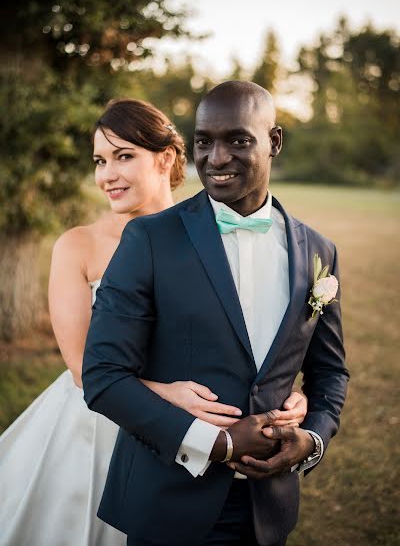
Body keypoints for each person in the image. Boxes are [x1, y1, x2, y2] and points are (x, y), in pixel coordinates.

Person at [0, 98, 306, 546]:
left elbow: (242, 329)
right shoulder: (78, 245)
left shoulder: (214, 230)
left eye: (124, 156)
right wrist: (163, 392)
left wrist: (279, 388)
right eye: (100, 161)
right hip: (96, 426)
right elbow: (82, 367)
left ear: (165, 158)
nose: (107, 175)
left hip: (203, 436)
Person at [83, 81, 349, 546]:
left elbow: (330, 374)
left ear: (275, 142)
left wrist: (311, 440)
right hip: (169, 502)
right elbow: (104, 376)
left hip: (267, 510)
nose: (217, 158)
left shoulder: (317, 253)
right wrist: (218, 442)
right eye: (205, 141)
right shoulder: (149, 240)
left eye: (238, 140)